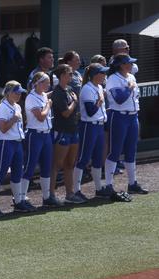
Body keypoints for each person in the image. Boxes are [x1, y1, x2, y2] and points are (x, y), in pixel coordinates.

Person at [104, 54, 148, 195]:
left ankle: (132, 183)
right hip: (119, 117)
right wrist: (129, 88)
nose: (130, 65)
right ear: (121, 65)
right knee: (115, 151)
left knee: (131, 151)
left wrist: (130, 86)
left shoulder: (131, 76)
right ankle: (109, 185)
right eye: (128, 63)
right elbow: (119, 99)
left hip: (133, 117)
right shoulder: (113, 79)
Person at [0, 81, 27, 217]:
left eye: (20, 92)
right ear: (9, 92)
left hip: (17, 142)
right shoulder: (2, 107)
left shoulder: (17, 106)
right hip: (6, 143)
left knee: (17, 172)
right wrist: (14, 119)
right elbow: (3, 128)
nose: (19, 95)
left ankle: (19, 201)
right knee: (1, 173)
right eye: (16, 92)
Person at [73, 63, 112, 199]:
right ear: (95, 75)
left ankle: (98, 188)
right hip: (89, 126)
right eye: (102, 73)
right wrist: (99, 102)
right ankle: (76, 190)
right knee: (83, 158)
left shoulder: (99, 87)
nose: (104, 75)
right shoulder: (87, 89)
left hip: (99, 126)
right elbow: (90, 112)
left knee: (97, 159)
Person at [19, 72, 53, 211]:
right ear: (38, 83)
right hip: (35, 135)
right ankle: (20, 198)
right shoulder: (31, 97)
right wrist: (49, 105)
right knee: (30, 166)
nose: (48, 84)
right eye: (46, 82)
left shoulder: (43, 95)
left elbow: (47, 96)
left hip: (46, 135)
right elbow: (40, 116)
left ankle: (46, 198)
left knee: (46, 166)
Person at [49, 64, 81, 204]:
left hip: (73, 130)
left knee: (70, 164)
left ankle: (70, 193)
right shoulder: (58, 93)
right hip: (62, 131)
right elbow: (66, 113)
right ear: (62, 75)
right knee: (57, 164)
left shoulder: (69, 89)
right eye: (69, 74)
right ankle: (51, 195)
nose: (71, 76)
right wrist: (74, 101)